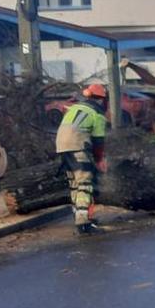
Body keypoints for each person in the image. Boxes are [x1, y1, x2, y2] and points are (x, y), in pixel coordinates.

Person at [54, 83, 108, 235]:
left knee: (74, 183)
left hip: (62, 146)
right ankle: (83, 223)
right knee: (85, 183)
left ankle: (78, 215)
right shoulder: (97, 114)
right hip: (77, 145)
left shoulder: (75, 108)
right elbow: (98, 141)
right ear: (101, 99)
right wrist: (99, 160)